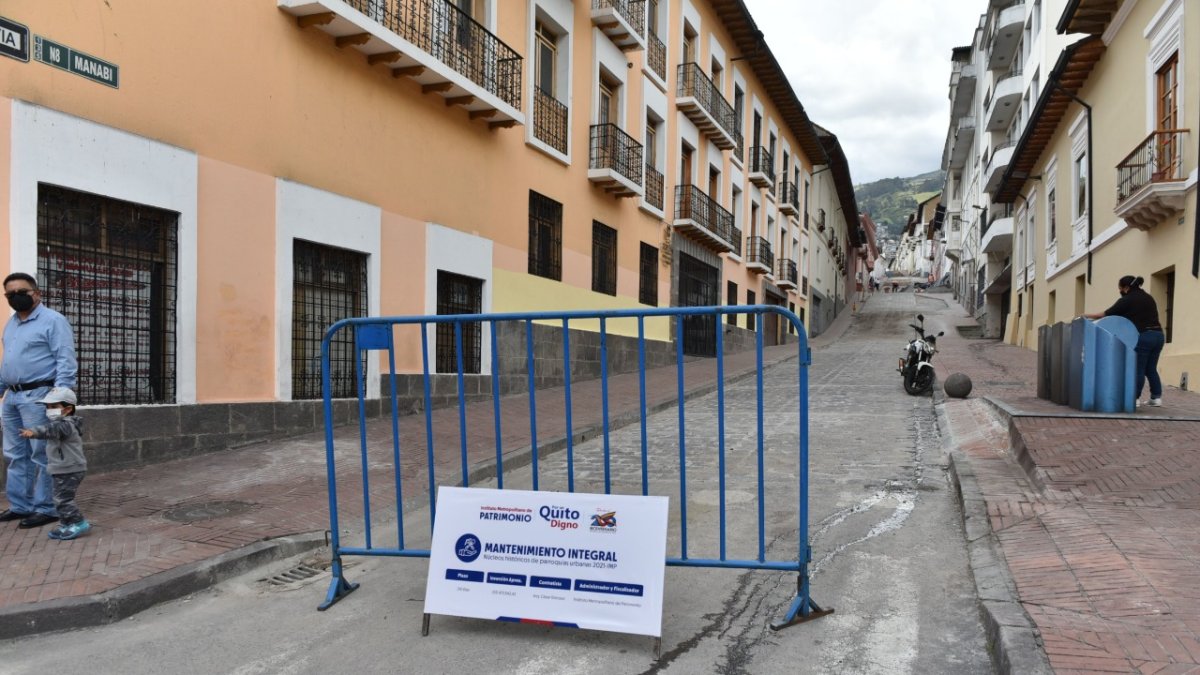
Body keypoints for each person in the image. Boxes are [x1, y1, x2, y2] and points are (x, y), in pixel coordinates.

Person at [0, 272, 78, 529]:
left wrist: (60, 402)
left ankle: (47, 507)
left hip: (41, 396)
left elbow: (66, 361)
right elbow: (9, 362)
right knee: (14, 454)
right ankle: (20, 505)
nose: (15, 297)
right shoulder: (11, 324)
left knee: (44, 453)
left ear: (37, 293)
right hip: (12, 397)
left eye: (21, 292)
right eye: (10, 294)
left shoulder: (53, 321)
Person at [1083, 275, 1164, 407]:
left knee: (1138, 368)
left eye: (1120, 288)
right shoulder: (1148, 297)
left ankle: (1134, 399)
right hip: (1158, 335)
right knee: (1150, 368)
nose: (1119, 291)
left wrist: (1086, 315)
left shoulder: (1127, 300)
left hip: (1144, 336)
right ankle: (1156, 398)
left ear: (1126, 288)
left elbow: (1106, 314)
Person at [19, 387, 89, 540]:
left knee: (63, 499)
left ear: (68, 409)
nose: (49, 410)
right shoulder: (62, 423)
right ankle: (66, 524)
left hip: (70, 469)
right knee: (58, 498)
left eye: (54, 407)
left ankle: (78, 522)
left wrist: (34, 432)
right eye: (48, 407)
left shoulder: (66, 424)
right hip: (62, 468)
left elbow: (50, 430)